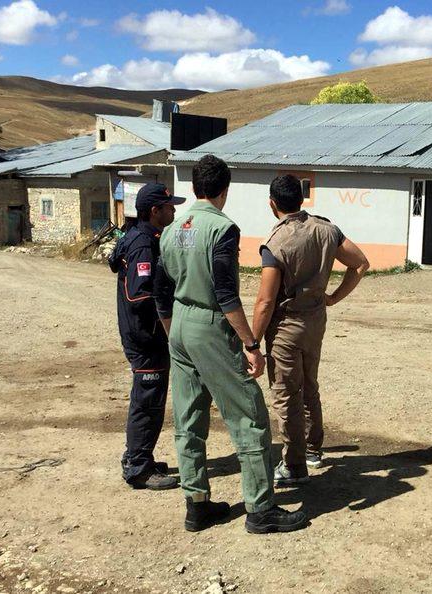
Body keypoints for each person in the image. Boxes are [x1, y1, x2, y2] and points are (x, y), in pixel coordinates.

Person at [153, 155, 307, 534]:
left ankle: (197, 504)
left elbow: (161, 290)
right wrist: (250, 343)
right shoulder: (222, 229)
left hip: (179, 325)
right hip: (209, 325)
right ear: (225, 190)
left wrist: (177, 332)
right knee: (249, 417)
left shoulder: (172, 230)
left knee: (188, 419)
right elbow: (225, 293)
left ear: (193, 188)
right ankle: (260, 508)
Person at [252, 174, 369, 486]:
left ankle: (294, 464)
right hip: (315, 320)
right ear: (301, 200)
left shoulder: (275, 244)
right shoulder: (326, 229)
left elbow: (265, 301)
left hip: (286, 326)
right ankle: (314, 449)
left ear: (272, 204)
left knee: (286, 393)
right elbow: (359, 264)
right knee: (309, 385)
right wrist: (333, 297)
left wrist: (251, 342)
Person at [108, 182, 185, 491]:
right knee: (147, 401)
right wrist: (169, 310)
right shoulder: (142, 243)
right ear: (155, 211)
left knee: (149, 399)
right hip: (146, 337)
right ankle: (138, 467)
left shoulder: (143, 237)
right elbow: (140, 297)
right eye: (169, 207)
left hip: (147, 336)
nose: (174, 210)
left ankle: (140, 457)